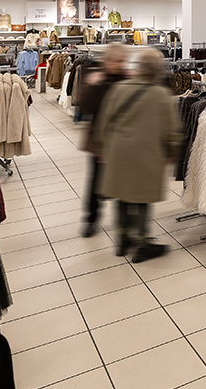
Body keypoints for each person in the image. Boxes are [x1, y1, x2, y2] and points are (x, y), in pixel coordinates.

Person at [93, 48, 182, 262]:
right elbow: (171, 130)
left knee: (123, 195)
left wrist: (104, 148)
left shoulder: (119, 88)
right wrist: (172, 151)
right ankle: (142, 242)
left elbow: (104, 122)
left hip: (119, 153)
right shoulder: (161, 94)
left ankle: (123, 239)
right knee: (142, 198)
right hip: (147, 155)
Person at [77, 42, 128, 237]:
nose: (119, 64)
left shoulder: (126, 78)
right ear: (107, 61)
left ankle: (123, 222)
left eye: (122, 61)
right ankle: (91, 219)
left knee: (122, 181)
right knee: (96, 183)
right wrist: (91, 85)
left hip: (121, 140)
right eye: (116, 61)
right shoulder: (97, 79)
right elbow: (84, 107)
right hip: (99, 140)